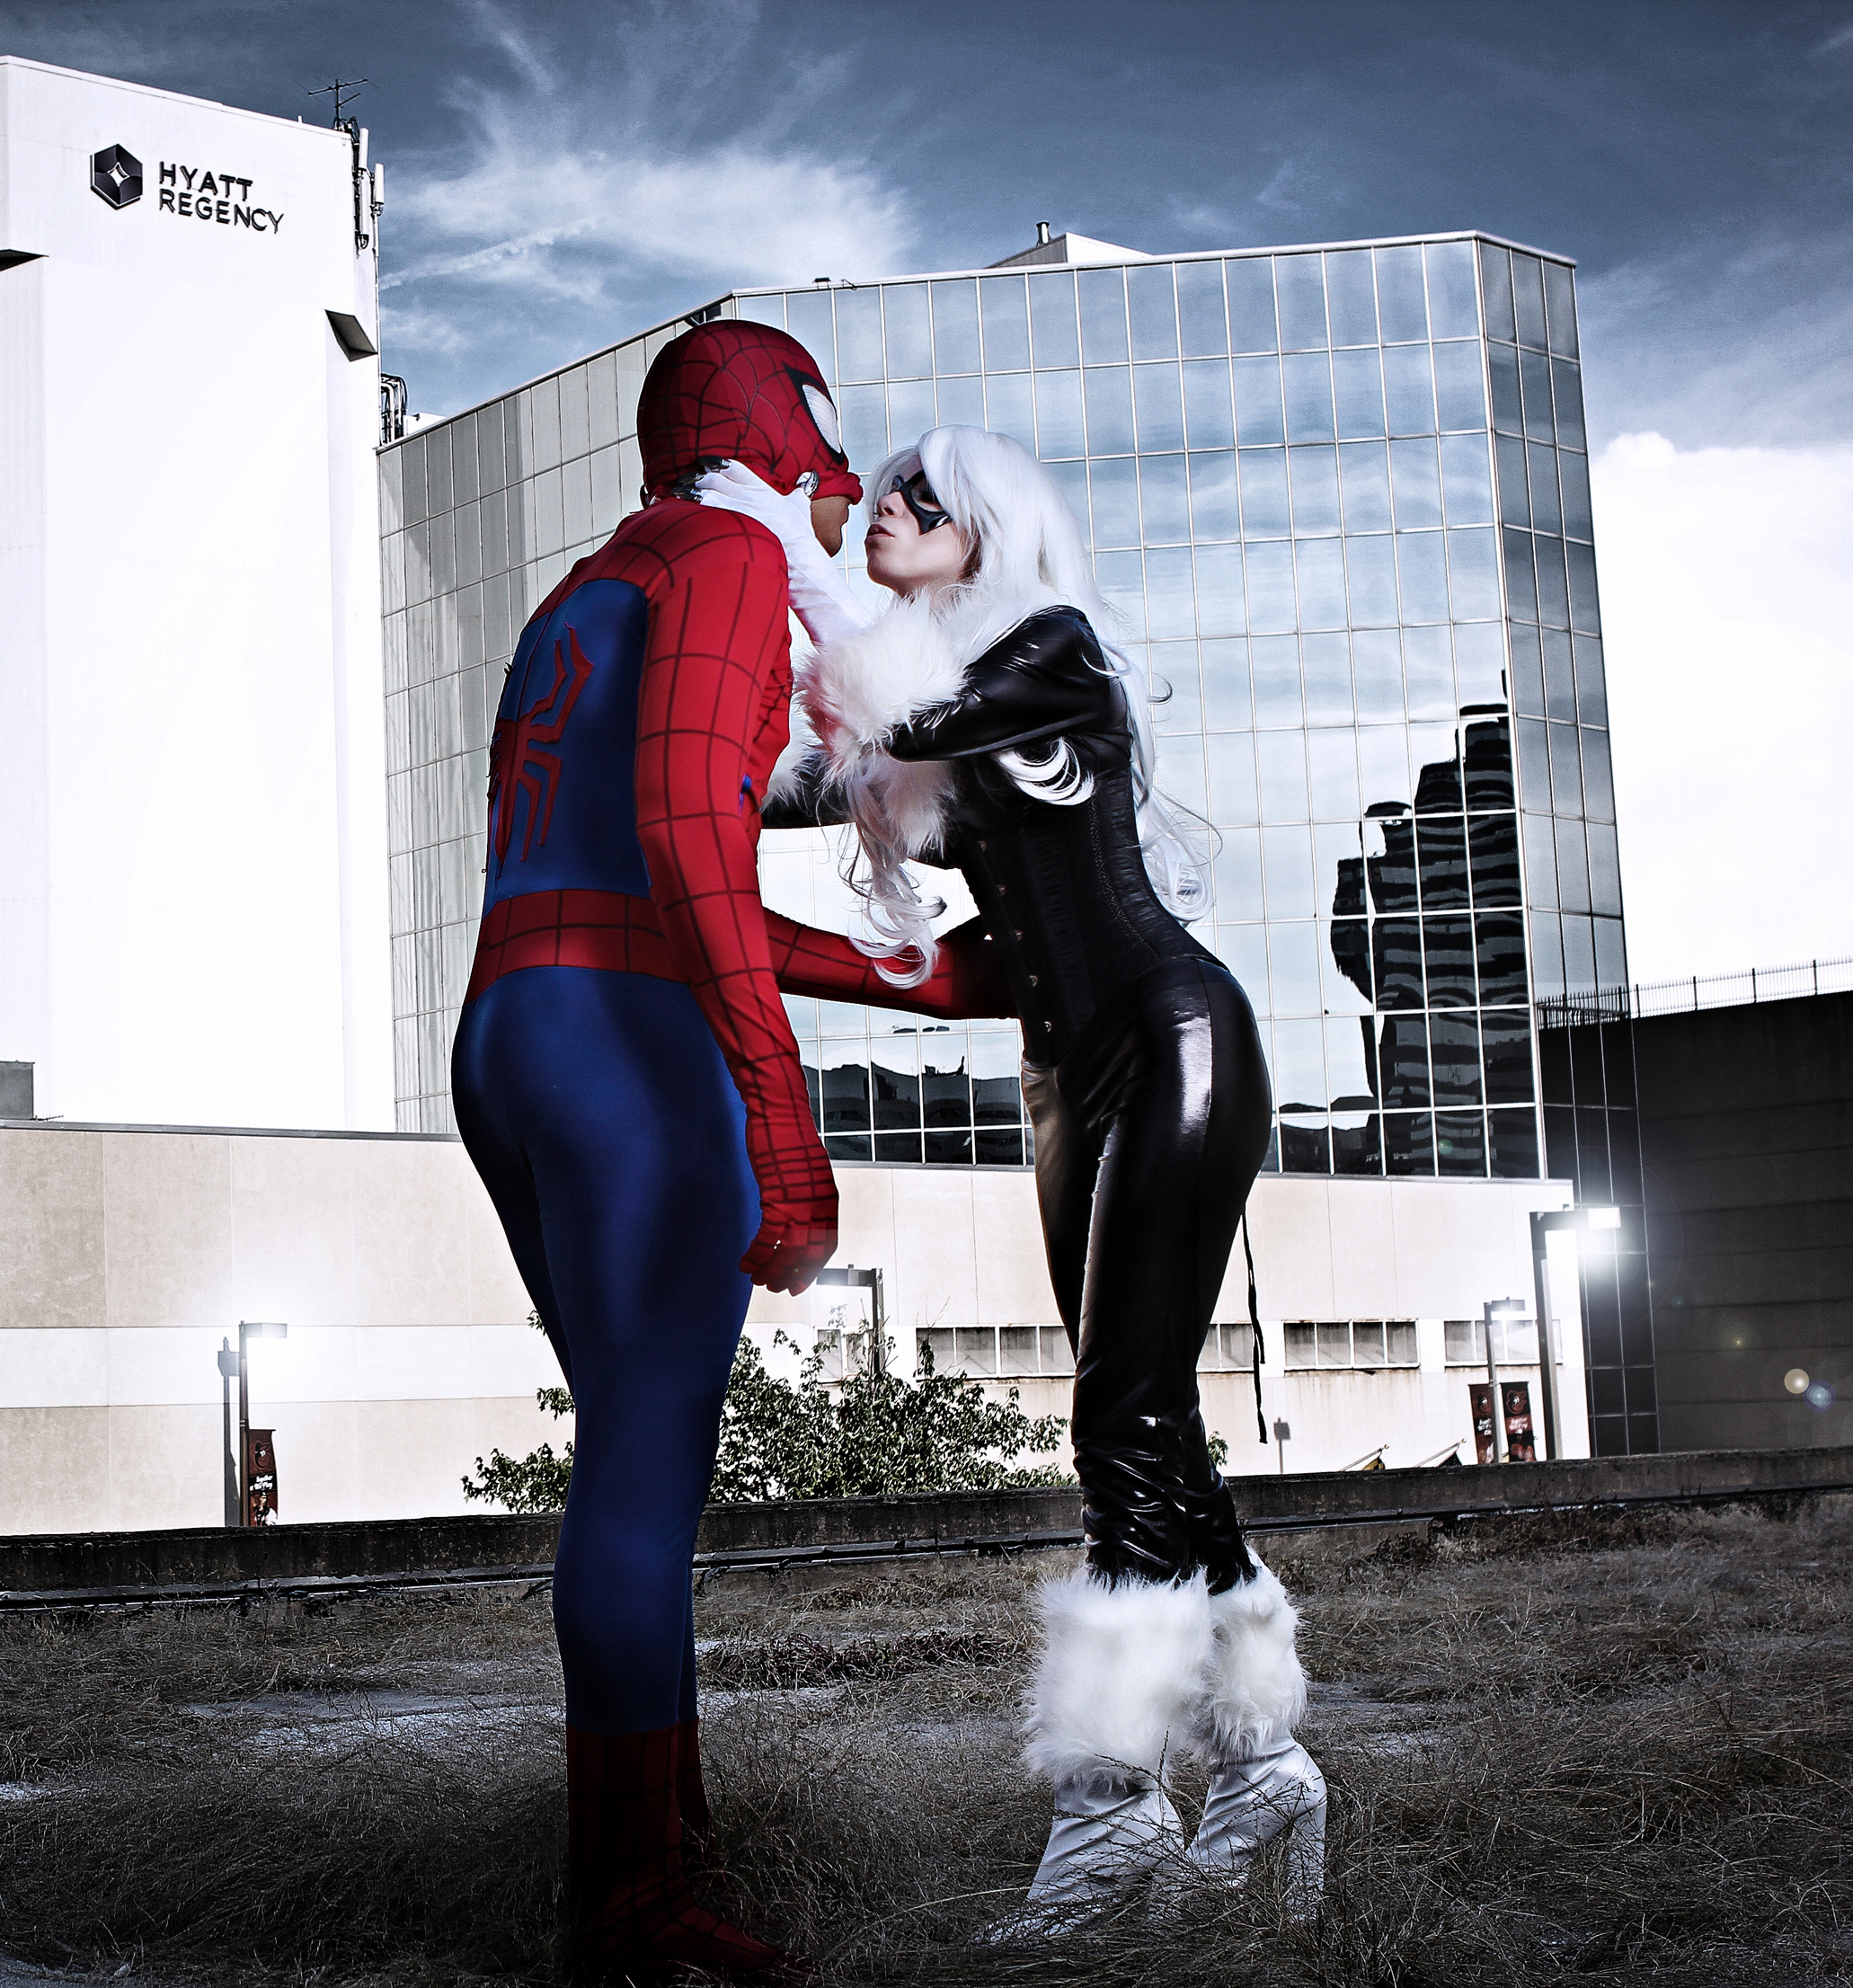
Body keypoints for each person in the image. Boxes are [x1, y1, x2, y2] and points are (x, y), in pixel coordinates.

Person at [696, 424, 1325, 1928]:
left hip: (1174, 1040)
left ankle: (1111, 1816)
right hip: (1062, 1082)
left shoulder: (1050, 650)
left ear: (984, 524)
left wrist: (786, 558)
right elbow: (782, 801)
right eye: (881, 495)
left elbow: (904, 716)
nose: (886, 512)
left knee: (1116, 1417)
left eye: (921, 499)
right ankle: (1262, 1769)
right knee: (1146, 1413)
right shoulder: (933, 712)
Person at [457, 325, 1004, 1982]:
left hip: (515, 1021)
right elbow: (688, 839)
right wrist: (780, 1109)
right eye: (832, 482)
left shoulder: (583, 595)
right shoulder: (724, 557)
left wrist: (916, 978)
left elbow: (640, 851)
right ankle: (630, 1903)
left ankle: (656, 1843)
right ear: (786, 449)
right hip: (624, 1040)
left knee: (636, 1460)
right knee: (642, 1470)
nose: (844, 516)